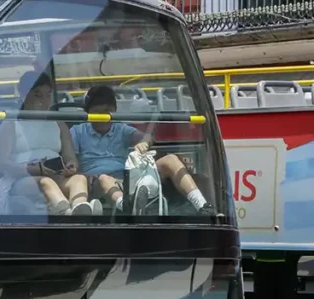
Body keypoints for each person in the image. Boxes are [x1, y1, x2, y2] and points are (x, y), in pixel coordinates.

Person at [70, 85, 215, 216]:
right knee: (104, 179)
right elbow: (72, 161)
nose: (102, 118)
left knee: (170, 159)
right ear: (88, 113)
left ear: (114, 111)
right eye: (97, 113)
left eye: (107, 112)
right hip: (97, 182)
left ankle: (203, 206)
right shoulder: (77, 131)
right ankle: (128, 207)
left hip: (128, 176)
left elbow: (146, 137)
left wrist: (144, 143)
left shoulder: (121, 128)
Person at [0, 72, 102, 216]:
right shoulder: (10, 124)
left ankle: (80, 208)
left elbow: (69, 156)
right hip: (19, 179)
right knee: (45, 182)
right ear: (24, 95)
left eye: (48, 95)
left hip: (55, 174)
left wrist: (71, 165)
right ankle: (68, 214)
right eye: (38, 95)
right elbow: (0, 163)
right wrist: (34, 169)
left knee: (79, 179)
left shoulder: (58, 123)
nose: (44, 100)